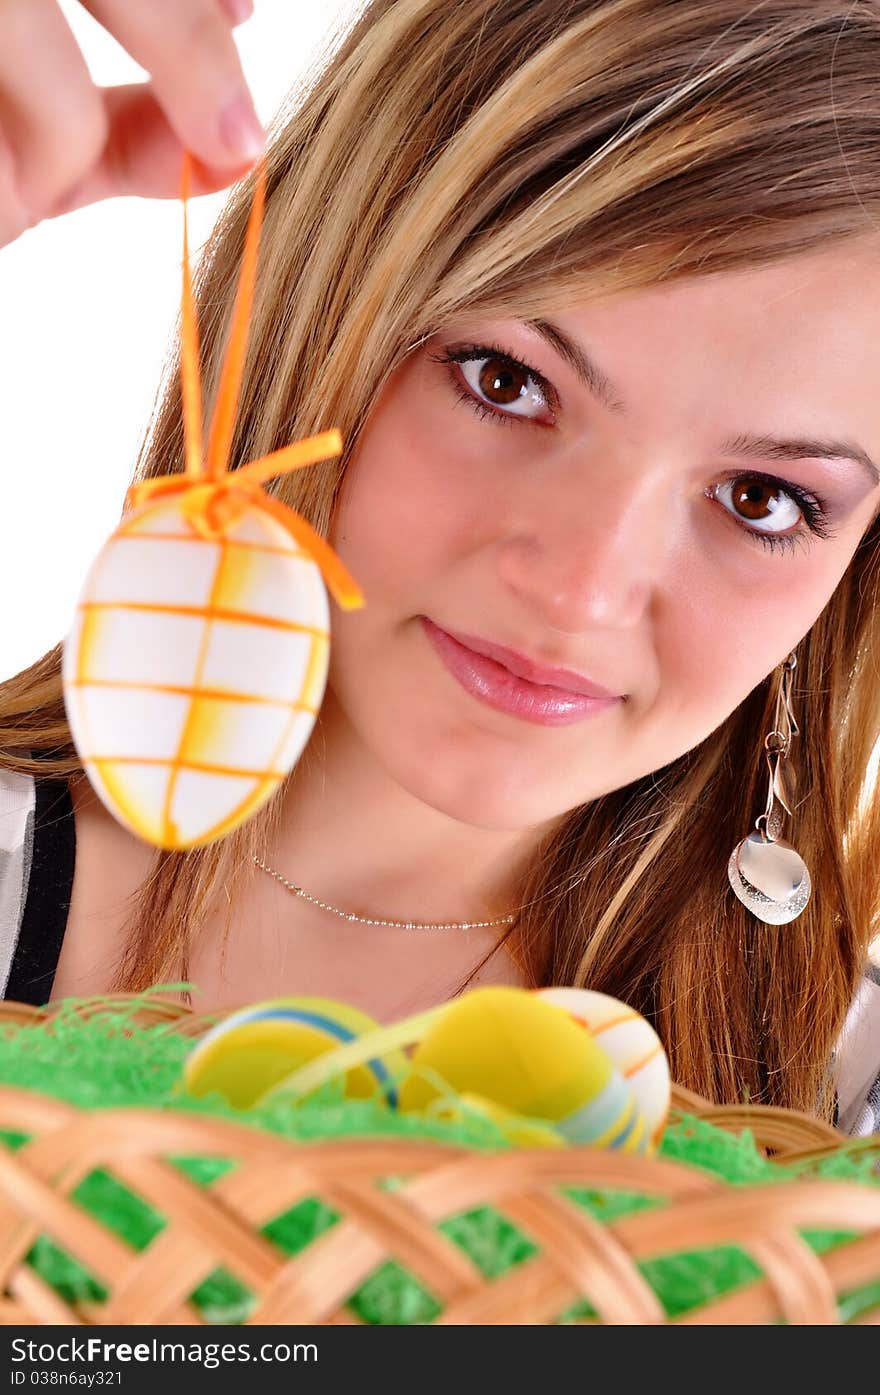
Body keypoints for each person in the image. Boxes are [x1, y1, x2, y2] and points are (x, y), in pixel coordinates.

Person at [0, 0, 878, 1131]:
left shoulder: (847, 1108)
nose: (579, 591)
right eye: (505, 383)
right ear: (320, 311)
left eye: (764, 500)